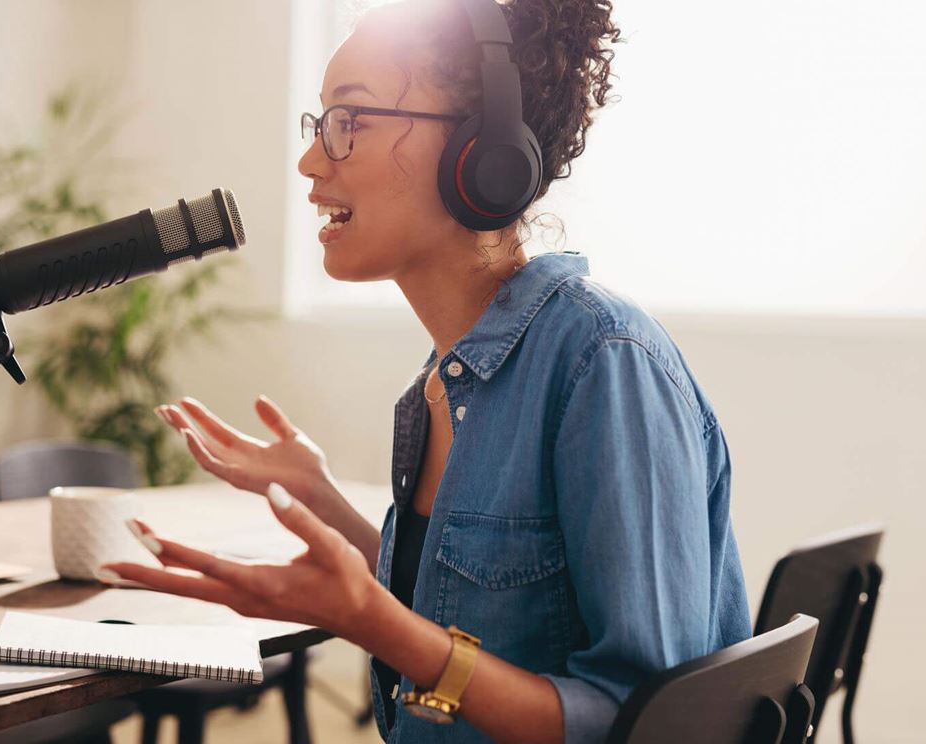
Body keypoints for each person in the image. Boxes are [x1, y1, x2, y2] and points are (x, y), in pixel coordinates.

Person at [101, 1, 749, 742]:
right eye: (318, 124)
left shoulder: (601, 363)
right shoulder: (444, 384)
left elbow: (648, 725)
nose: (311, 162)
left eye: (349, 120)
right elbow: (476, 605)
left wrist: (375, 622)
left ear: (484, 153)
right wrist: (326, 504)